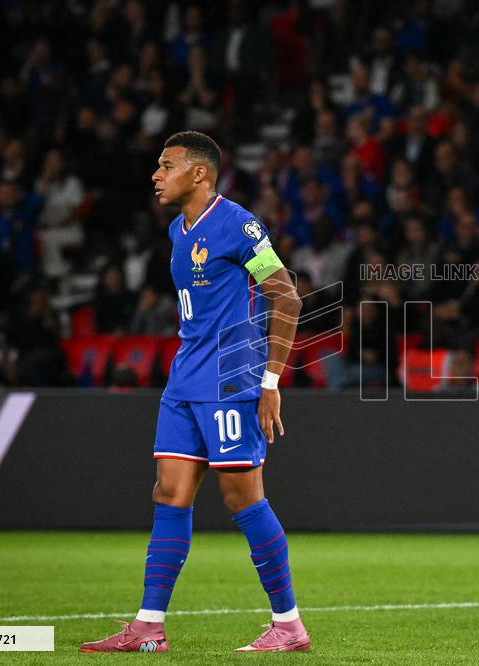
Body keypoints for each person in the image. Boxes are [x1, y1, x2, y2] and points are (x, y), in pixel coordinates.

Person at [80, 132, 308, 653]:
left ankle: (289, 626)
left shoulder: (238, 225)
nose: (156, 175)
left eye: (167, 165)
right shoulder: (178, 230)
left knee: (242, 497)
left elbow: (287, 298)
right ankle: (148, 627)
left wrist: (269, 383)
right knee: (170, 493)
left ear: (199, 173)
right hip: (184, 379)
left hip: (230, 380)